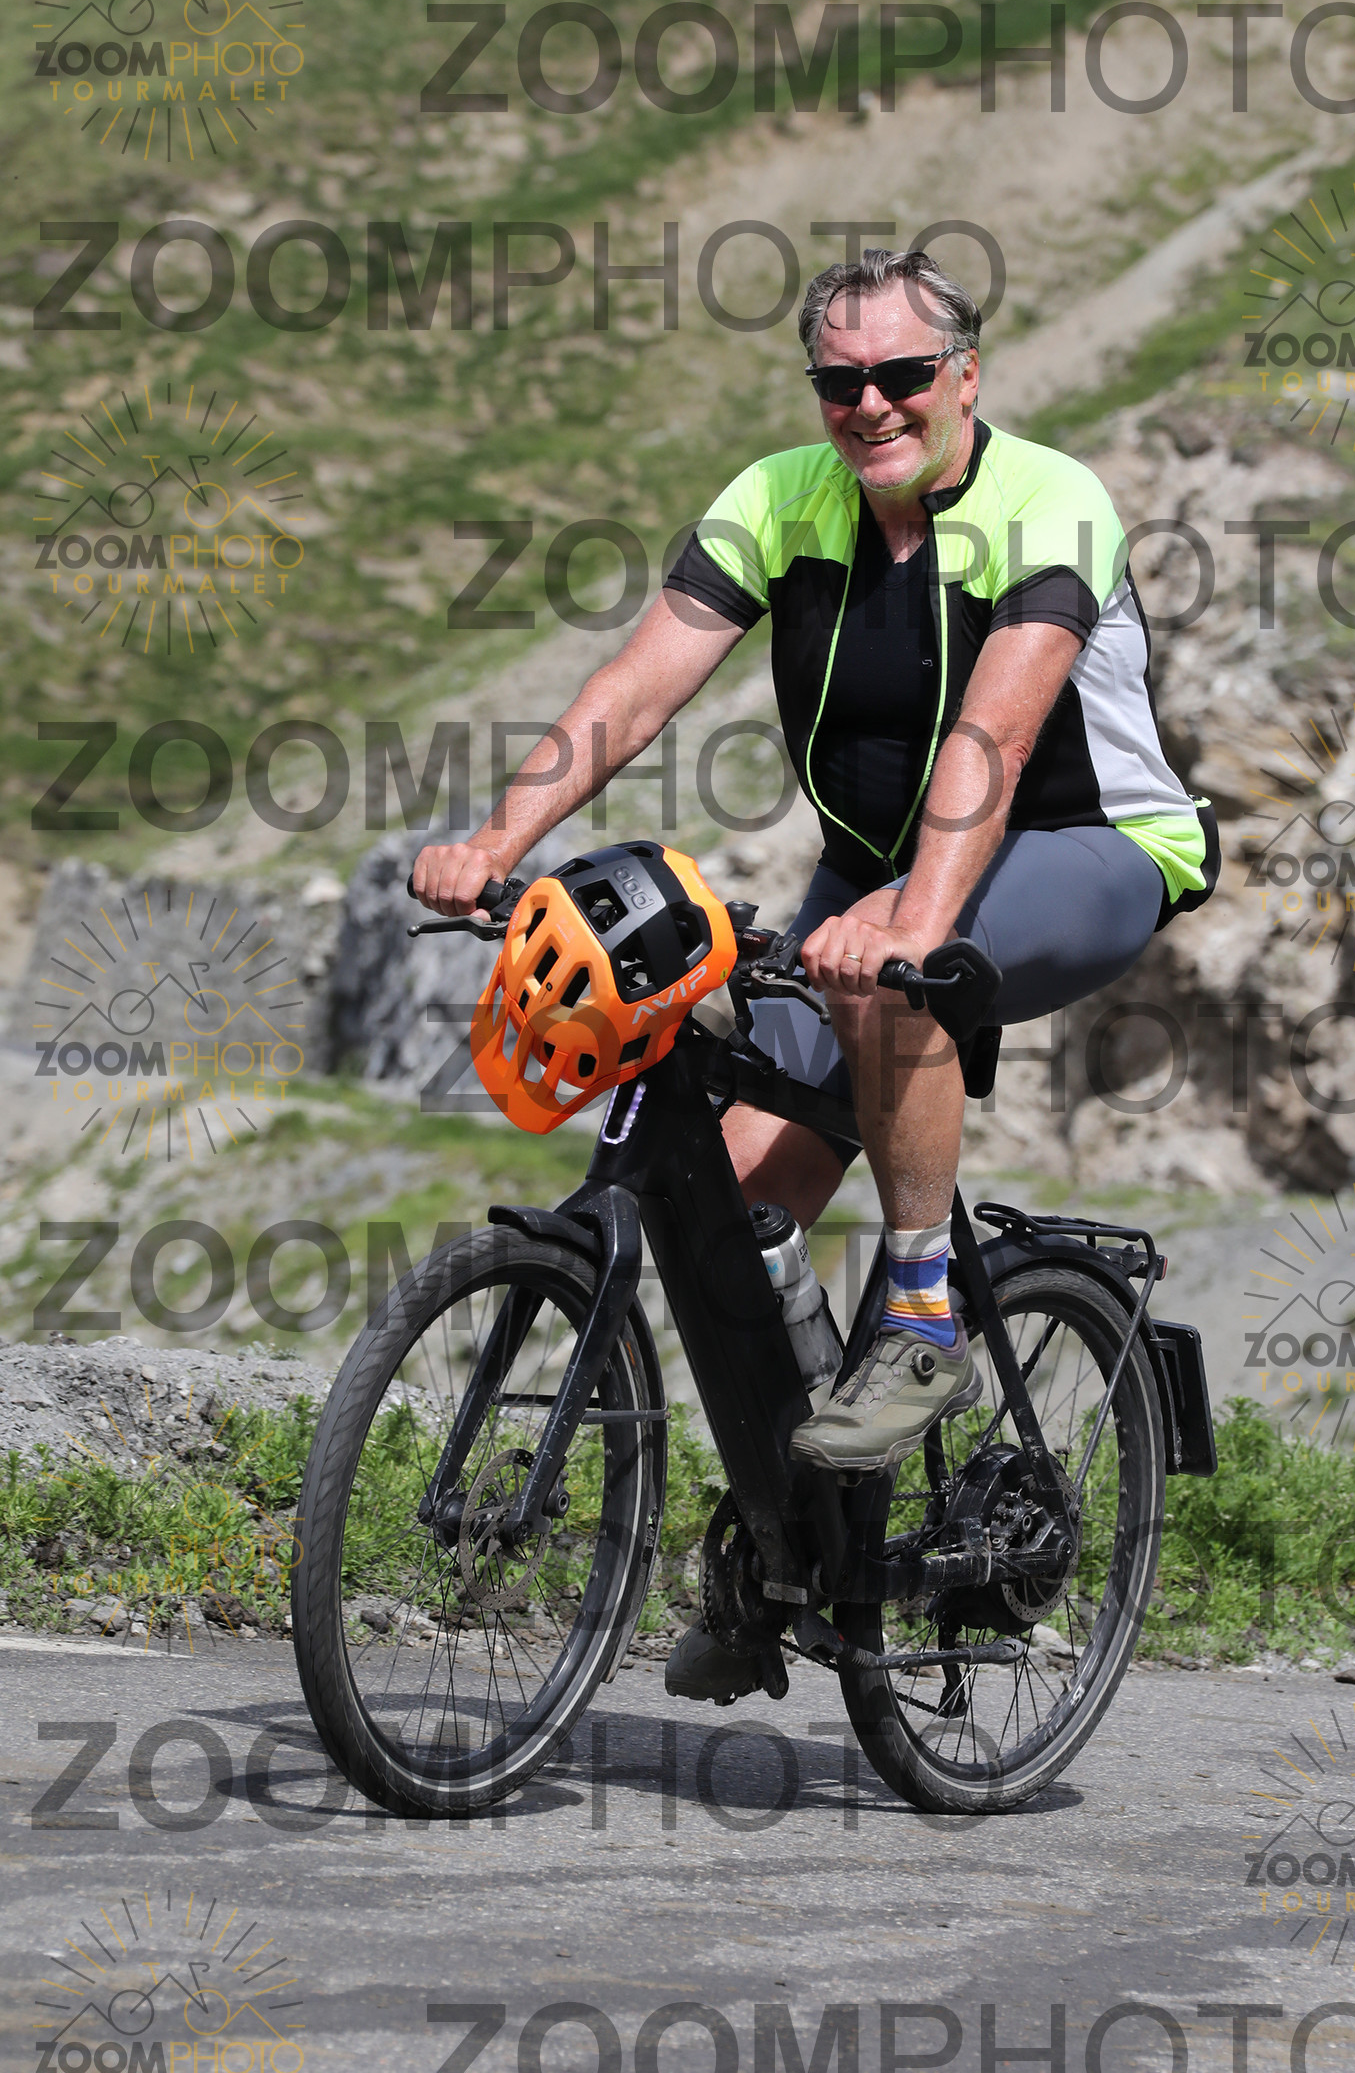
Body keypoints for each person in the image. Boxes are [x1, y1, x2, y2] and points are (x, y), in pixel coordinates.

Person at [412, 248, 1210, 1485]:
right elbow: (636, 688)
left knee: (889, 978)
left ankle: (923, 1321)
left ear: (965, 375)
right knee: (728, 1209)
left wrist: (916, 923)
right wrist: (494, 843)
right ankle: (816, 1536)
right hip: (870, 874)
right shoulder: (782, 497)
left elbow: (992, 741)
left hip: (1088, 850)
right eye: (841, 383)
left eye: (903, 375)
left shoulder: (1050, 501)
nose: (872, 404)